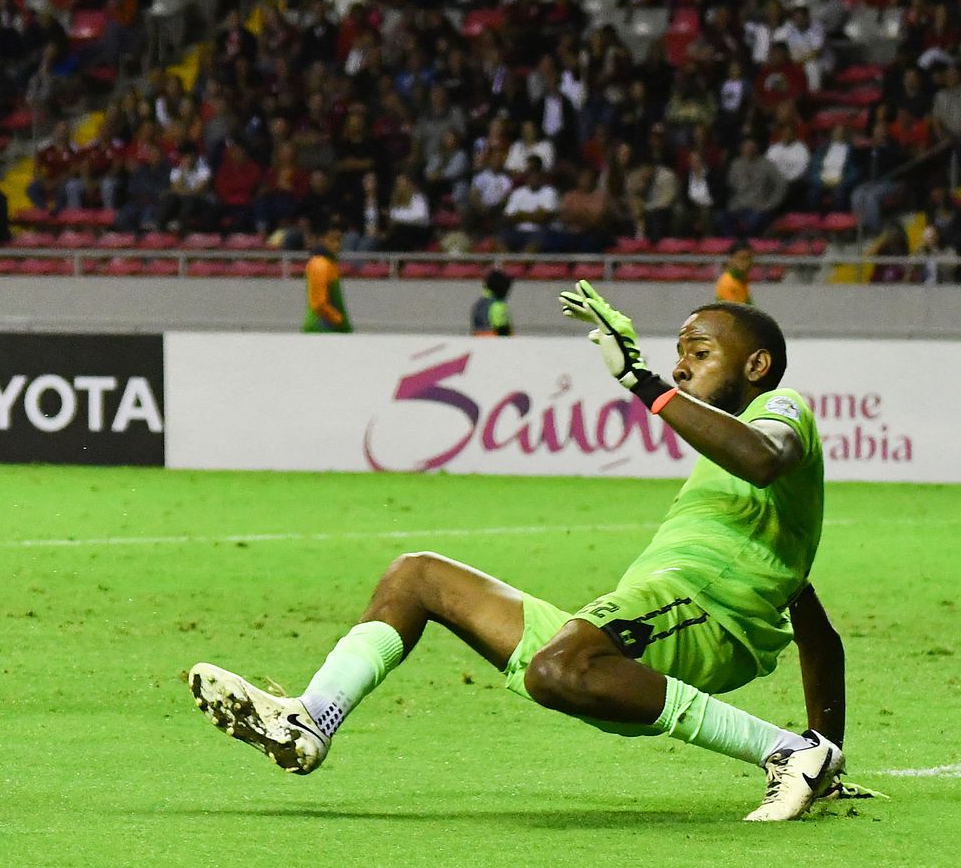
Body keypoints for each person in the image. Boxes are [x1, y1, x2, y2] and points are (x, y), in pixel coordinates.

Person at [192, 288, 849, 822]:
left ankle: (784, 751)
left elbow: (763, 457)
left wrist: (645, 385)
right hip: (640, 638)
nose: (680, 365)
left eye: (698, 353)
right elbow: (816, 628)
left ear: (756, 365)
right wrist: (833, 748)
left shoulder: (780, 406)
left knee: (558, 668)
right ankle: (312, 719)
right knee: (418, 577)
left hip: (697, 620)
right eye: (676, 355)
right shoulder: (736, 491)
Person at [302, 224, 350, 333]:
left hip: (328, 327)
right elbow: (319, 303)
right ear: (322, 240)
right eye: (332, 240)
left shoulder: (329, 263)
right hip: (322, 328)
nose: (337, 245)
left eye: (339, 240)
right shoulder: (320, 264)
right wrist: (339, 320)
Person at [470, 268, 512, 336]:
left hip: (479, 343)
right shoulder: (498, 305)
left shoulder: (479, 304)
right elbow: (504, 332)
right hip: (496, 344)